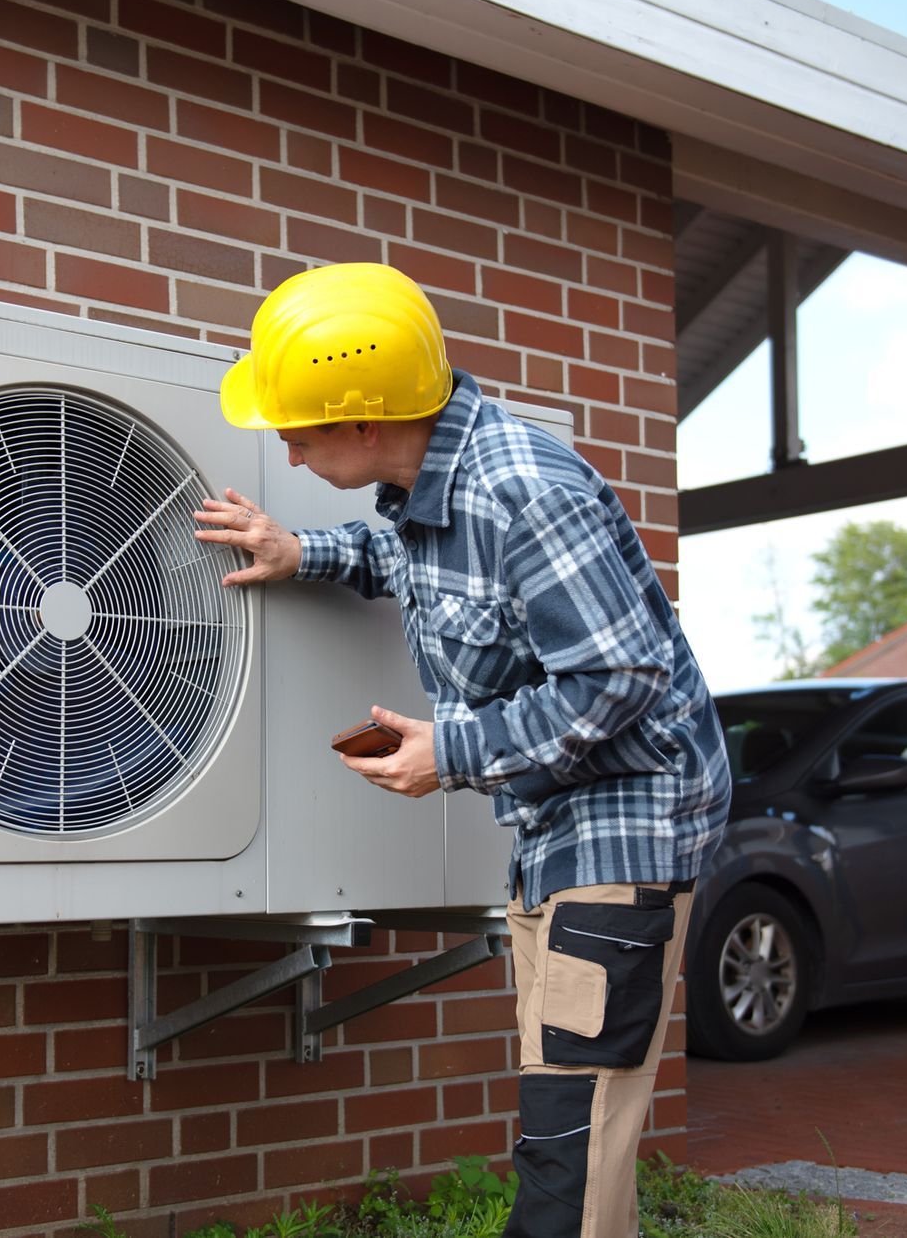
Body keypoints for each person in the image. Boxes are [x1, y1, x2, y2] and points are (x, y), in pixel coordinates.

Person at [193, 262, 731, 1238]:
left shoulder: (522, 488)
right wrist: (296, 549)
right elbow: (408, 558)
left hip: (625, 828)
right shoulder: (432, 481)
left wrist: (454, 748)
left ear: (364, 417)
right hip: (556, 827)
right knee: (571, 1122)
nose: (287, 444)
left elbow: (621, 679)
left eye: (300, 427)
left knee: (570, 1144)